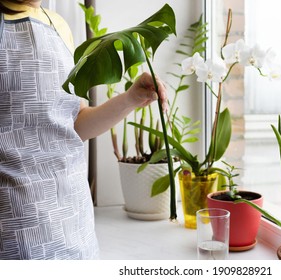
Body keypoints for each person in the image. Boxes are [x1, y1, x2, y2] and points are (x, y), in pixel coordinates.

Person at [0, 0, 167, 259]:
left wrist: (132, 98)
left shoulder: (58, 26)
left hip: (75, 223)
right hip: (15, 228)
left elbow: (75, 124)